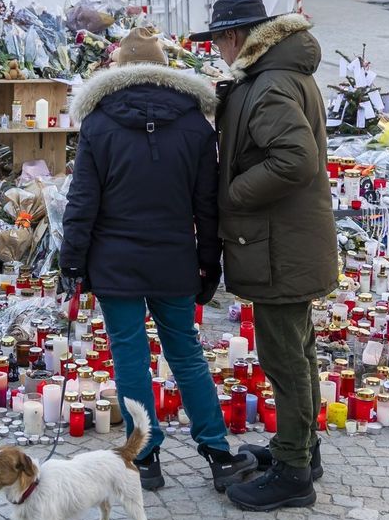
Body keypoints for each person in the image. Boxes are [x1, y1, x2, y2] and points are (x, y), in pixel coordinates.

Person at [59, 25, 258, 494]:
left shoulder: (100, 122)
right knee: (186, 354)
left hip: (115, 262)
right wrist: (209, 263)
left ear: (119, 70)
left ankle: (144, 459)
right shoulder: (193, 122)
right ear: (164, 70)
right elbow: (206, 205)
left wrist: (72, 263)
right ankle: (217, 452)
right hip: (174, 258)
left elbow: (82, 201)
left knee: (129, 356)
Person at [193, 0, 337, 512]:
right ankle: (299, 450)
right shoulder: (275, 74)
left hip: (281, 245)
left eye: (217, 39)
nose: (216, 48)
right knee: (297, 351)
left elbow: (296, 160)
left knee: (285, 359)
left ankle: (295, 473)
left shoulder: (272, 83)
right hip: (286, 241)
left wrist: (233, 193)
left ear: (238, 38)